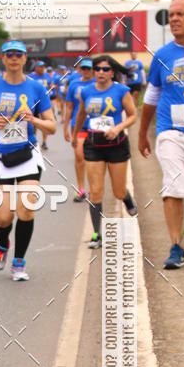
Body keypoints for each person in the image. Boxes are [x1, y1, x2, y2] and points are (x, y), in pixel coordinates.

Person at [0, 39, 56, 280]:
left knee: (27, 210)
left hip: (27, 154)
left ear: (24, 59)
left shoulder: (37, 88)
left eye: (18, 54)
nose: (13, 58)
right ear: (2, 58)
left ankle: (19, 262)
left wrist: (34, 120)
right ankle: (2, 244)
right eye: (9, 54)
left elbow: (51, 127)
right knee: (3, 216)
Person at [138, 0, 184, 268]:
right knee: (174, 184)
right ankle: (175, 247)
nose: (174, 19)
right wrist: (143, 132)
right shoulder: (162, 55)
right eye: (171, 15)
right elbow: (152, 96)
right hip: (170, 131)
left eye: (180, 14)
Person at [73, 54, 138, 248]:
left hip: (117, 145)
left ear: (112, 72)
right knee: (95, 192)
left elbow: (133, 115)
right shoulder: (86, 91)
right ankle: (96, 234)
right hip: (94, 145)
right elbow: (81, 114)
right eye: (98, 69)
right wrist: (75, 134)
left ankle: (127, 198)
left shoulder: (121, 91)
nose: (101, 72)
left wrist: (118, 128)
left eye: (106, 69)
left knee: (118, 191)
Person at [64, 59, 95, 201]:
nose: (86, 71)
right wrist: (65, 127)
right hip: (78, 125)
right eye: (84, 68)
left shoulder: (98, 83)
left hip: (96, 125)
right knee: (79, 156)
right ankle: (81, 188)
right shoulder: (74, 85)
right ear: (80, 69)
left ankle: (95, 186)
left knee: (95, 159)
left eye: (89, 68)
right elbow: (69, 107)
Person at [30, 60, 51, 149]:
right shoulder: (31, 76)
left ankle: (44, 142)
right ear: (36, 68)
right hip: (34, 103)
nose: (42, 68)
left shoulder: (47, 76)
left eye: (43, 67)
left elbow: (51, 85)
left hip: (44, 103)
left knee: (44, 122)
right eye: (40, 67)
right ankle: (34, 139)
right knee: (34, 122)